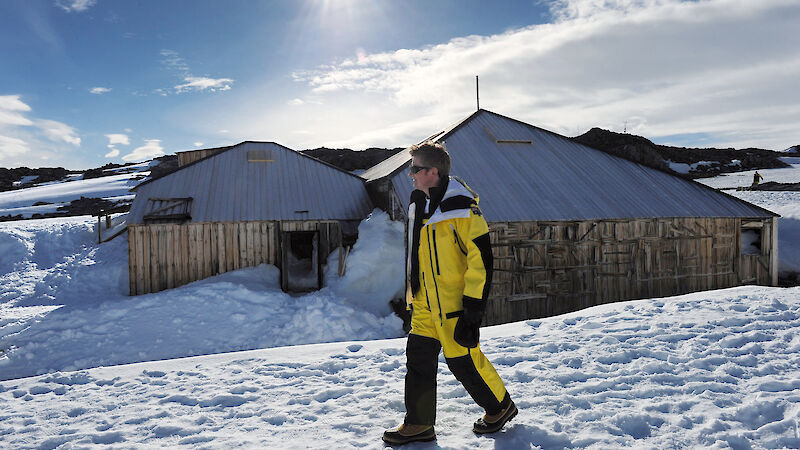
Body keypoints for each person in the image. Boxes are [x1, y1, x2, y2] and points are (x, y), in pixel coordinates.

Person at [382, 143, 516, 445]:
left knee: (463, 362)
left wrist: (473, 312)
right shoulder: (419, 204)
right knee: (418, 359)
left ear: (433, 172)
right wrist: (411, 294)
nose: (410, 174)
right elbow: (415, 255)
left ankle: (500, 406)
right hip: (425, 304)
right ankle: (418, 424)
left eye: (415, 169)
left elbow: (481, 263)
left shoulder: (463, 210)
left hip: (454, 307)